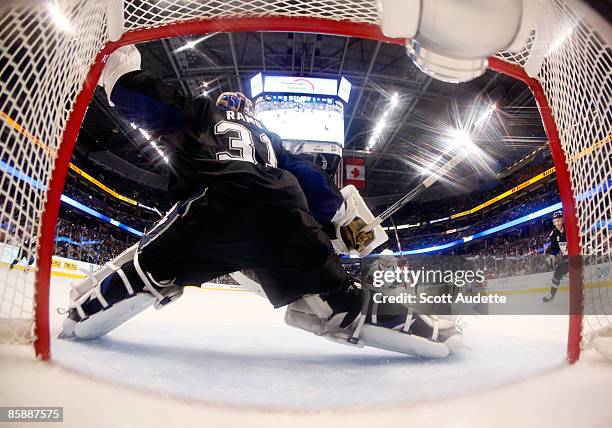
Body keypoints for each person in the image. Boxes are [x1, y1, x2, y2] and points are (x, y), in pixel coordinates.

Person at [59, 45, 462, 358]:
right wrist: (361, 242)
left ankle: (93, 306)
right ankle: (425, 329)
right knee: (341, 301)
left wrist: (120, 73)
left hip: (212, 211)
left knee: (149, 263)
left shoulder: (203, 114)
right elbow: (320, 191)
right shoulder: (274, 147)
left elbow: (155, 102)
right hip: (285, 218)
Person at [542, 210, 568, 302]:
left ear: (563, 220)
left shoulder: (569, 228)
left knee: (576, 274)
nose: (557, 223)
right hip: (565, 259)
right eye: (555, 221)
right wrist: (553, 256)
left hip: (575, 256)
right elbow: (554, 248)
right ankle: (552, 295)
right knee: (556, 275)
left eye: (559, 220)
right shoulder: (554, 233)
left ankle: (581, 292)